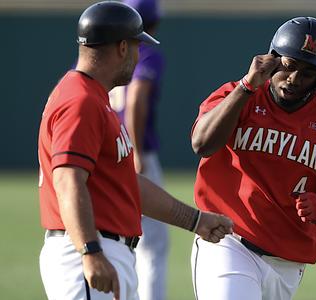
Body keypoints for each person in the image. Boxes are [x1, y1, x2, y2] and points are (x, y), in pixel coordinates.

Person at [37, 2, 233, 300]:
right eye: (137, 45)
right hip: (87, 252)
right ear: (122, 48)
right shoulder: (80, 101)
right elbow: (67, 181)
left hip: (106, 250)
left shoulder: (93, 98)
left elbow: (128, 184)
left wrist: (195, 220)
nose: (140, 54)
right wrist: (90, 251)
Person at [190, 17, 316, 300]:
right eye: (288, 66)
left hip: (288, 264)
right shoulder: (239, 95)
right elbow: (202, 144)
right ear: (272, 60)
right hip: (227, 242)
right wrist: (246, 86)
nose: (293, 79)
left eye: (307, 73)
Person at [108, 1, 169, 299]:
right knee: (153, 244)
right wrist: (135, 152)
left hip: (104, 155)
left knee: (112, 237)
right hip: (133, 153)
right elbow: (136, 99)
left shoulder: (105, 56)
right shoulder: (145, 54)